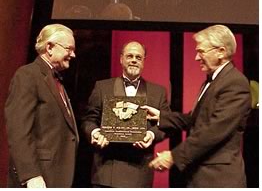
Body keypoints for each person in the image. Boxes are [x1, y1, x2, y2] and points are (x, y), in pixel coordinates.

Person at [142, 25, 251, 187]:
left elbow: (214, 130)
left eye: (201, 51)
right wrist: (161, 116)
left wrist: (174, 156)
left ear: (221, 51)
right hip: (202, 175)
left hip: (219, 179)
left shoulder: (235, 82)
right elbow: (195, 120)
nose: (196, 57)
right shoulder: (213, 80)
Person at [81, 41, 170, 187]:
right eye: (130, 56)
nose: (134, 60)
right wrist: (95, 132)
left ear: (143, 62)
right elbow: (89, 120)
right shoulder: (102, 87)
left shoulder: (158, 92)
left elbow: (166, 125)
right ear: (121, 59)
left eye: (138, 57)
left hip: (139, 171)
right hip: (106, 169)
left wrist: (151, 135)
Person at [4, 24, 79, 188]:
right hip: (38, 178)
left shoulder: (55, 79)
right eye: (69, 49)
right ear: (50, 47)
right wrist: (31, 175)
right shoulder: (27, 75)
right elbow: (18, 130)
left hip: (54, 175)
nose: (73, 54)